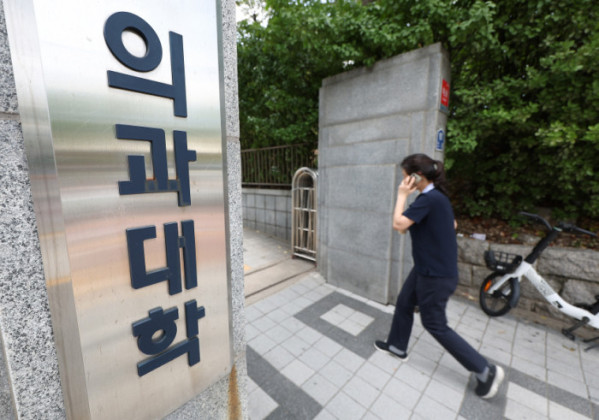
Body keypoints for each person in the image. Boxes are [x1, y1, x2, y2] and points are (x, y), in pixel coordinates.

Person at [374, 153, 504, 399]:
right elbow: (451, 225)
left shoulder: (429, 199)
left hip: (435, 275)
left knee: (434, 324)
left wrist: (401, 195)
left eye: (405, 177)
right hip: (426, 268)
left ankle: (484, 370)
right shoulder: (436, 197)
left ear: (416, 177)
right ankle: (397, 346)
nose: (403, 181)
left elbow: (399, 224)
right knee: (404, 303)